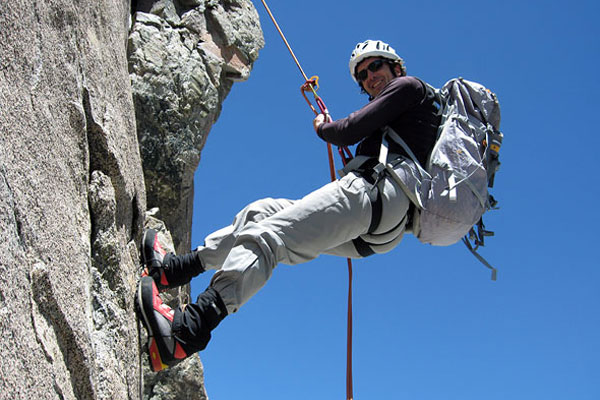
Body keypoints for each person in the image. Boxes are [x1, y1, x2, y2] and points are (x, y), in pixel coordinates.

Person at [136, 39, 442, 372]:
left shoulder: (408, 87)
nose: (370, 76)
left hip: (375, 194)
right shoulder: (404, 118)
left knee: (269, 237)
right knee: (261, 213)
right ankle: (175, 270)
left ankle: (186, 332)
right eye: (363, 74)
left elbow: (347, 130)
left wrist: (324, 127)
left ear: (395, 67)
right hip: (379, 221)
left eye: (375, 66)